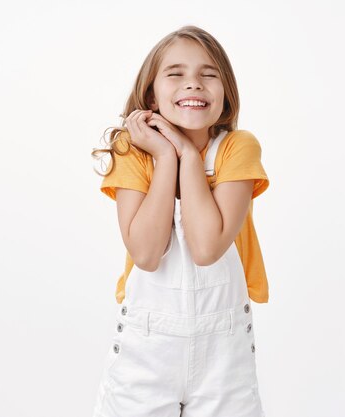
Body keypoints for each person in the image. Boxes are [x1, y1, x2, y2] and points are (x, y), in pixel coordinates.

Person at [90, 25, 269, 417]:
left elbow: (207, 248)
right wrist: (167, 158)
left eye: (208, 75)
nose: (194, 85)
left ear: (226, 92)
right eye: (176, 74)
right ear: (152, 93)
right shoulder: (133, 152)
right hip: (145, 352)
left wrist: (188, 155)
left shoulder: (238, 148)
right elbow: (147, 254)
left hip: (224, 358)